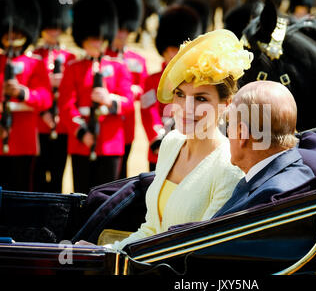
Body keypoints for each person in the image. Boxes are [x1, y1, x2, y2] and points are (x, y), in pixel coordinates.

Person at [77, 28, 252, 249]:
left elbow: (197, 249)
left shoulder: (229, 168)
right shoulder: (172, 142)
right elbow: (151, 230)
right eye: (180, 94)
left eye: (200, 98)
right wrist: (105, 252)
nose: (186, 108)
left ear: (226, 104)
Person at [57, 0, 134, 194]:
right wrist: (81, 131)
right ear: (82, 38)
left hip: (110, 143)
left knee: (107, 199)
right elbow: (66, 105)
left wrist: (109, 101)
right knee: (82, 195)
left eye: (100, 39)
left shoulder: (119, 67)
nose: (96, 43)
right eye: (92, 39)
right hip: (82, 142)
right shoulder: (73, 68)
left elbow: (128, 102)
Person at [211, 81, 315, 218]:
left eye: (230, 125)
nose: (228, 133)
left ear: (241, 133)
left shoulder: (269, 197)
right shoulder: (296, 173)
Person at [0, 0, 52, 192]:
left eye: (18, 31)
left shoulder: (35, 63)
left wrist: (22, 93)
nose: (13, 35)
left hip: (24, 138)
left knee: (21, 190)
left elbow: (45, 99)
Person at [140, 5, 202, 171]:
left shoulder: (195, 81)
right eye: (170, 50)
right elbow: (148, 111)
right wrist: (158, 139)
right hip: (160, 146)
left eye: (177, 50)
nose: (173, 55)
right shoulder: (151, 80)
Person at [32, 0, 76, 193]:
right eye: (49, 27)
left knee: (58, 175)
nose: (53, 31)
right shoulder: (35, 55)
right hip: (39, 124)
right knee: (38, 174)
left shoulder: (70, 58)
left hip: (62, 125)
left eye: (56, 27)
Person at [106, 0, 149, 179]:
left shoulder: (138, 60)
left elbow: (147, 92)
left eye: (126, 30)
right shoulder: (103, 58)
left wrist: (134, 92)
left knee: (123, 173)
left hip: (128, 125)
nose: (122, 34)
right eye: (119, 29)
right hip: (107, 125)